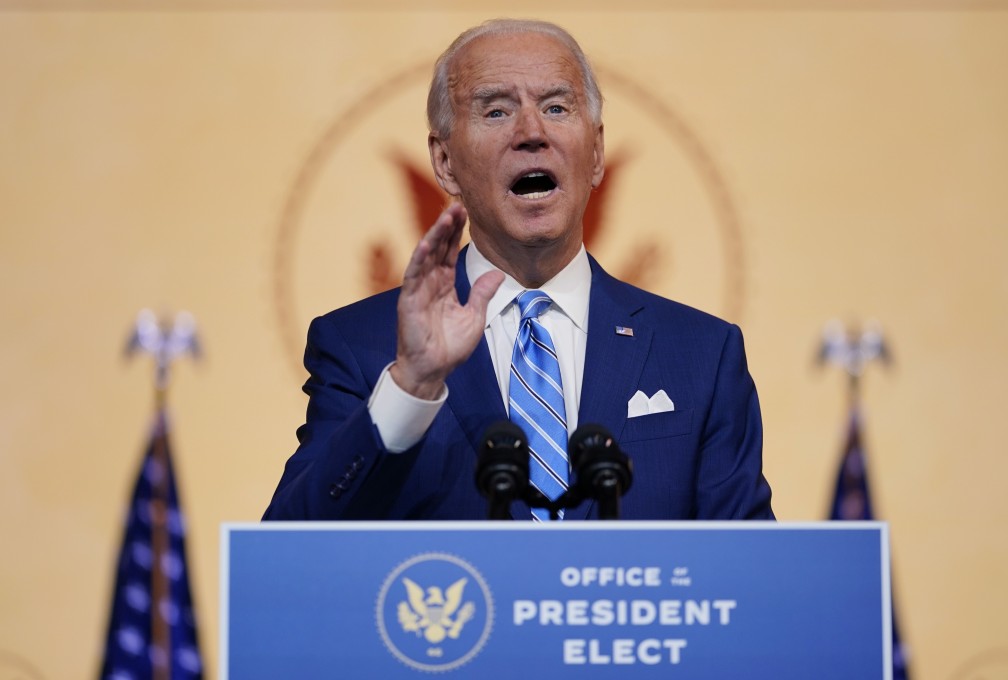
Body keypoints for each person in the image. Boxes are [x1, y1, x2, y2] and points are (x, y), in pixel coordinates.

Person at [263, 19, 774, 522]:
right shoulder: (364, 347)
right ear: (444, 162)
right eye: (496, 111)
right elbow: (286, 557)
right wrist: (410, 387)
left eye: (556, 107)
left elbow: (750, 576)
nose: (532, 132)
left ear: (596, 153)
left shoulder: (702, 355)